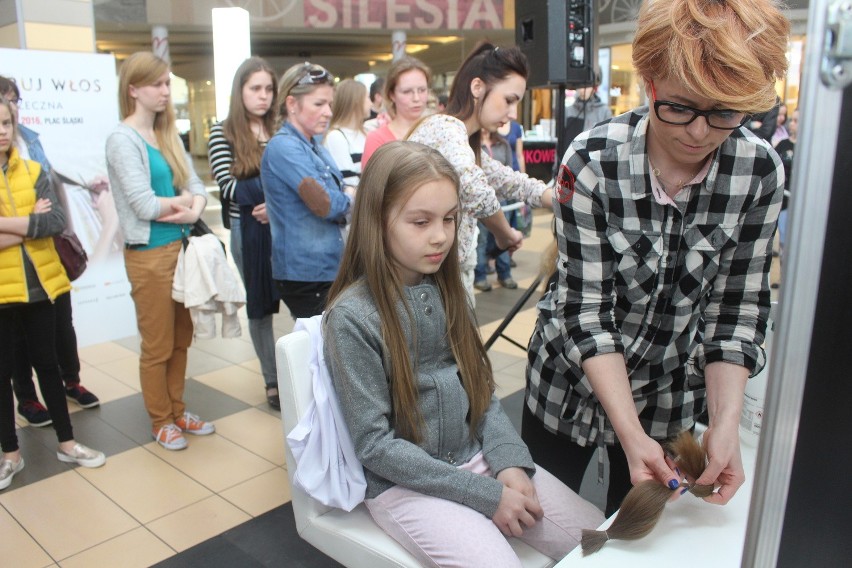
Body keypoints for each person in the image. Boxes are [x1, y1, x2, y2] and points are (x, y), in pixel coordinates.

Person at [523, 0, 789, 517]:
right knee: (543, 522)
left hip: (671, 396)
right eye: (680, 107)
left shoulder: (758, 172)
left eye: (724, 113)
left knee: (644, 534)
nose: (698, 132)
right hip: (567, 385)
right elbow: (587, 310)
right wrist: (627, 430)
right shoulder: (592, 162)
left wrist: (725, 422)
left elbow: (735, 310)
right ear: (650, 82)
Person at [323, 140, 604, 566]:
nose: (440, 236)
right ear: (376, 221)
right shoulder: (351, 317)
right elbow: (376, 445)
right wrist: (488, 496)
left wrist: (509, 460)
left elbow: (480, 390)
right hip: (406, 484)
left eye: (450, 219)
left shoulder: (447, 288)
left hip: (478, 457)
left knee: (598, 538)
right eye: (420, 222)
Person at [105, 52, 214, 451]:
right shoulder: (122, 138)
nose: (166, 91)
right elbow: (144, 205)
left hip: (181, 249)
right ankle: (160, 419)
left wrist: (189, 205)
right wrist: (183, 205)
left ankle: (178, 409)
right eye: (158, 84)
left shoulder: (166, 134)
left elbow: (198, 189)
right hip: (148, 256)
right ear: (133, 89)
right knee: (157, 345)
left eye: (168, 83)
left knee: (182, 339)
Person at [1, 96, 106, 491]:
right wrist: (31, 221)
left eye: (7, 123)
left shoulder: (33, 170)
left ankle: (68, 442)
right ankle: (10, 454)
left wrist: (7, 224)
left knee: (49, 366)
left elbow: (56, 221)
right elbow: (40, 223)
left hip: (43, 286)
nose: (2, 131)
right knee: (3, 373)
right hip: (2, 293)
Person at [407, 42, 552, 301]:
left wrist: (553, 197)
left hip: (446, 276)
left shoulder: (466, 143)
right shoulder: (445, 127)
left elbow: (507, 179)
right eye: (509, 100)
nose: (512, 113)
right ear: (477, 87)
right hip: (426, 281)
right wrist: (503, 233)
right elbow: (475, 188)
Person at [207, 57, 281, 410]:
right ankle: (273, 380)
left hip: (285, 225)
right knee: (260, 306)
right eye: (255, 88)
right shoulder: (222, 131)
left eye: (268, 89)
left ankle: (309, 370)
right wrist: (277, 192)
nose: (263, 96)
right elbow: (229, 187)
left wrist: (277, 203)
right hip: (246, 228)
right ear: (240, 92)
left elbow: (299, 179)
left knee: (303, 300)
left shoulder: (282, 129)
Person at [261, 62, 353, 319]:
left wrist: (346, 194)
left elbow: (337, 192)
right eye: (318, 104)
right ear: (292, 104)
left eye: (330, 105)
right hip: (307, 274)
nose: (327, 112)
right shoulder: (285, 148)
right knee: (322, 352)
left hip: (326, 267)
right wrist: (351, 196)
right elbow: (326, 204)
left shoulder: (314, 145)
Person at [361, 57, 431, 166]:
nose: (416, 98)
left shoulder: (440, 131)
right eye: (407, 92)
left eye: (422, 90)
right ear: (392, 94)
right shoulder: (377, 139)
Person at [474, 129, 517, 291]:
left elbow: (509, 172)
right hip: (480, 200)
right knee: (482, 239)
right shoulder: (472, 145)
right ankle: (480, 275)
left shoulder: (503, 144)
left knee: (504, 235)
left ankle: (505, 274)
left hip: (501, 200)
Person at [324, 79, 371, 188]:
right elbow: (349, 183)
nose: (371, 102)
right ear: (356, 101)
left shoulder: (366, 132)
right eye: (367, 97)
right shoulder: (336, 136)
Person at [774, 107, 797, 251]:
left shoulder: (807, 148)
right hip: (781, 196)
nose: (792, 123)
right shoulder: (783, 144)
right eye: (792, 120)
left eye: (796, 121)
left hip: (793, 200)